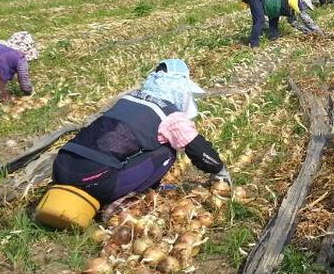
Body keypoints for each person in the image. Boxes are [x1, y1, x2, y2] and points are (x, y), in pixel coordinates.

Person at [51, 59, 229, 210]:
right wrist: (219, 170)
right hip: (97, 183)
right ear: (180, 87)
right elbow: (198, 149)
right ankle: (121, 202)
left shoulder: (129, 98)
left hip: (60, 169)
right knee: (167, 150)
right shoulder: (169, 114)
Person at [241, 0, 321, 47]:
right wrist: (319, 33)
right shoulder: (295, 2)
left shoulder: (292, 1)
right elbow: (307, 20)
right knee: (259, 19)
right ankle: (254, 44)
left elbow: (293, 22)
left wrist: (310, 33)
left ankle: (272, 35)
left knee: (274, 14)